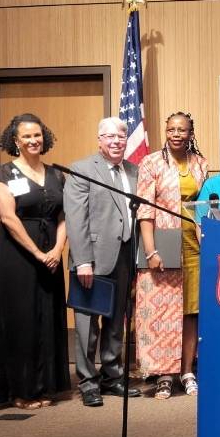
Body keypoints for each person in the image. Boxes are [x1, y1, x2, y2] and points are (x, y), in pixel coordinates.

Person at [0, 113, 70, 409]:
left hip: (51, 254)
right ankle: (20, 390)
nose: (34, 140)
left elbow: (63, 216)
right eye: (27, 136)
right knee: (22, 320)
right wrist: (37, 253)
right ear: (15, 141)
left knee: (47, 317)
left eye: (38, 135)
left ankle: (45, 385)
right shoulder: (3, 173)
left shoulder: (57, 174)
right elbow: (8, 218)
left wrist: (58, 249)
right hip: (18, 254)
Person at [64, 117, 141, 407]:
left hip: (124, 256)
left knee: (114, 322)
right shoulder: (82, 169)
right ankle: (87, 382)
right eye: (109, 136)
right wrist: (82, 260)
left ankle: (112, 378)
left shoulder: (134, 170)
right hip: (92, 259)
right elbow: (75, 218)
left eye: (121, 136)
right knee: (87, 325)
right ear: (99, 140)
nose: (116, 141)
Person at [135, 112, 208, 399]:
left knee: (191, 310)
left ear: (191, 133)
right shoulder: (151, 162)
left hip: (193, 242)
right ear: (166, 131)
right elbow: (145, 209)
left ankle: (187, 370)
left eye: (183, 129)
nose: (177, 133)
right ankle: (164, 373)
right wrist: (151, 249)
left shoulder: (201, 164)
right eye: (172, 129)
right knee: (164, 310)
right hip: (162, 240)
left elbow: (202, 206)